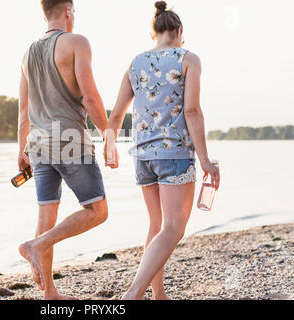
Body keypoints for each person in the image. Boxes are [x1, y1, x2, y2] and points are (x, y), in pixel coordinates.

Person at [104, 1, 220, 300]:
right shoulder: (188, 58)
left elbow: (116, 115)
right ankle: (133, 293)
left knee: (156, 224)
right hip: (175, 153)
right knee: (173, 228)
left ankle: (158, 295)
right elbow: (192, 110)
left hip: (142, 156)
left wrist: (110, 144)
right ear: (178, 31)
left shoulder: (135, 62)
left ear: (154, 31)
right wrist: (206, 159)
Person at [17, 0, 115, 300]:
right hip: (69, 140)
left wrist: (21, 150)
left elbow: (24, 109)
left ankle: (50, 295)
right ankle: (35, 246)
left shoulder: (27, 53)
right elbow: (89, 95)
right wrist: (108, 133)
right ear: (68, 11)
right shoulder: (76, 43)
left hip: (38, 145)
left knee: (47, 214)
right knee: (98, 211)